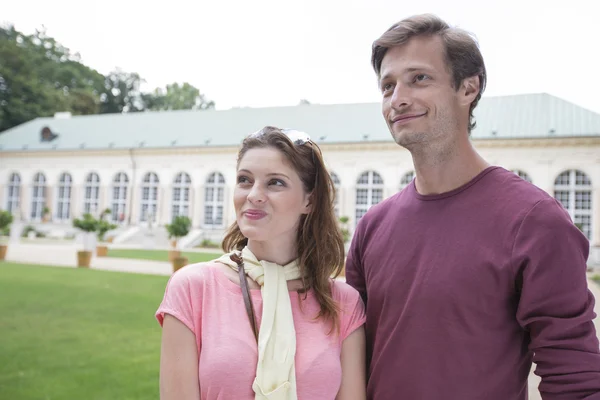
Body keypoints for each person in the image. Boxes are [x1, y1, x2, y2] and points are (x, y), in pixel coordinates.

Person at [345, 13, 600, 400]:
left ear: (468, 88)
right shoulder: (373, 227)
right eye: (387, 86)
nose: (398, 99)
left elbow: (574, 376)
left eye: (419, 78)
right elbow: (351, 358)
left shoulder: (534, 221)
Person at [156, 126, 367, 400]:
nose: (253, 194)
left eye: (275, 182)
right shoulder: (193, 288)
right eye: (245, 180)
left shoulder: (343, 303)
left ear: (309, 200)